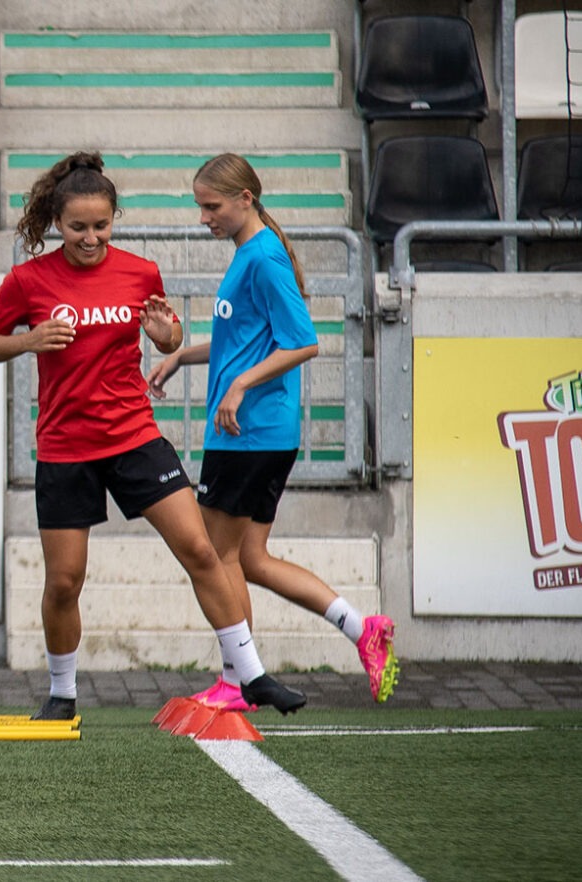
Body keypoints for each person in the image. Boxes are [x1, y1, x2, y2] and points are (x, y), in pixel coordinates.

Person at [0, 152, 306, 720]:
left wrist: (165, 335)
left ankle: (251, 675)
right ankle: (62, 693)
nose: (91, 237)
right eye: (78, 227)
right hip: (65, 446)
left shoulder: (139, 272)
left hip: (134, 436)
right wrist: (29, 341)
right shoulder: (29, 279)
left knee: (201, 549)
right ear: (57, 223)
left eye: (102, 225)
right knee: (64, 582)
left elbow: (170, 338)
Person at [147, 153, 398, 707]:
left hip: (248, 432)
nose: (203, 217)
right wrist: (180, 357)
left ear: (245, 199)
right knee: (250, 558)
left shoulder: (262, 258)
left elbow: (303, 341)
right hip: (257, 434)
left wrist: (237, 388)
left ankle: (238, 681)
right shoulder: (249, 253)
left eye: (210, 207)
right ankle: (362, 629)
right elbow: (246, 342)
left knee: (216, 558)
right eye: (199, 206)